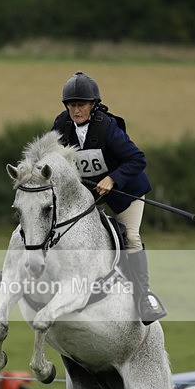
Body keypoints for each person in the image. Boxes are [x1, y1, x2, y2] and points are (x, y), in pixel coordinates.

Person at [52, 71, 166, 325]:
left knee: (131, 237)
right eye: (72, 105)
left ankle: (143, 297)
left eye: (81, 104)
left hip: (125, 191)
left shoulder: (108, 127)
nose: (76, 110)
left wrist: (113, 179)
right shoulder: (61, 124)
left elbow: (137, 159)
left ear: (93, 105)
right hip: (89, 192)